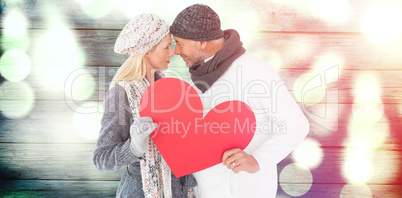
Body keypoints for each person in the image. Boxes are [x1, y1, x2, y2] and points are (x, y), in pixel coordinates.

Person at [170, 4, 310, 198]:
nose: (176, 51)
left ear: (201, 42)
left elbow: (297, 124)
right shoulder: (197, 81)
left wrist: (258, 160)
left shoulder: (254, 70)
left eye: (179, 42)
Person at [93, 13, 197, 198]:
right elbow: (102, 159)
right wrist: (134, 148)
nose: (172, 52)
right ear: (147, 51)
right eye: (166, 47)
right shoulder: (122, 93)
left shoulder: (168, 90)